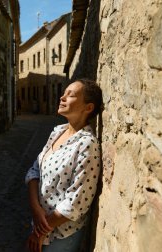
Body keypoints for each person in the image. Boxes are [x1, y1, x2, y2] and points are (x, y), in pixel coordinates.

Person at [25, 79, 102, 252]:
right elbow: (34, 170)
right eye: (64, 93)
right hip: (39, 224)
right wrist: (36, 208)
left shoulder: (87, 144)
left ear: (88, 108)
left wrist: (40, 232)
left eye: (71, 95)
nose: (62, 97)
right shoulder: (57, 131)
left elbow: (77, 201)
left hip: (59, 235)